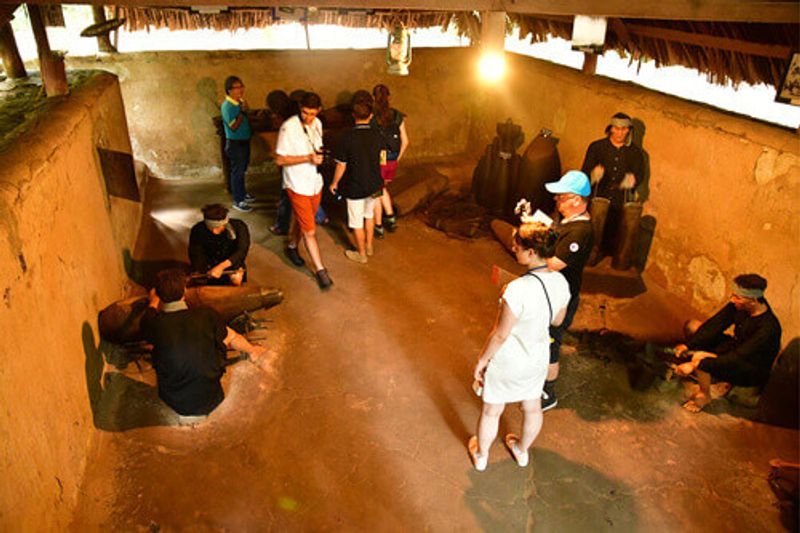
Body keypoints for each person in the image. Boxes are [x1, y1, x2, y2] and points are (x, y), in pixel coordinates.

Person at [469, 222, 570, 471]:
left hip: (509, 361)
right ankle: (521, 451)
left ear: (532, 253)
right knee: (532, 407)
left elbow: (500, 335)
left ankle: (481, 456)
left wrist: (482, 361)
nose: (514, 248)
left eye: (518, 246)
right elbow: (557, 320)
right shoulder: (560, 282)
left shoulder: (517, 289)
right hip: (537, 358)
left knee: (492, 410)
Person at [141, 269, 265, 417]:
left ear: (159, 294)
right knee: (227, 334)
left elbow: (150, 314)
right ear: (184, 291)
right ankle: (253, 351)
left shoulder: (153, 323)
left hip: (175, 402)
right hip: (213, 398)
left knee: (156, 346)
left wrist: (154, 300)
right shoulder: (206, 314)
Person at [674, 273, 782, 413]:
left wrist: (695, 364)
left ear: (753, 300)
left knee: (702, 361)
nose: (732, 299)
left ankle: (704, 395)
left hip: (749, 366)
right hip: (736, 347)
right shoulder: (740, 306)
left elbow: (738, 357)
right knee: (693, 327)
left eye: (737, 297)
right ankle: (706, 369)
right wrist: (688, 345)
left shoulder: (768, 328)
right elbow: (716, 324)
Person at [540, 171, 594, 411]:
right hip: (550, 292)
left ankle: (548, 393)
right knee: (540, 338)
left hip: (562, 298)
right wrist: (534, 220)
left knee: (551, 342)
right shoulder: (570, 221)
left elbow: (555, 263)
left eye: (561, 198)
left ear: (575, 200)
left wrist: (531, 247)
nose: (557, 202)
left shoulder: (580, 233)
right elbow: (555, 232)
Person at [275, 92, 333, 290]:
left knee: (303, 219)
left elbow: (317, 147)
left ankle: (292, 247)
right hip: (297, 184)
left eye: (311, 113)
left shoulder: (317, 123)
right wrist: (307, 158)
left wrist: (318, 158)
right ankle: (320, 270)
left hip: (315, 182)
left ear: (319, 110)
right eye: (304, 113)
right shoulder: (288, 127)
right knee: (310, 230)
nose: (308, 117)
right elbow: (280, 160)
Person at [330, 91, 384, 263]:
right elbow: (383, 159)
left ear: (353, 115)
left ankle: (361, 255)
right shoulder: (378, 134)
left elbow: (341, 165)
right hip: (375, 185)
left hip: (355, 187)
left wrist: (335, 182)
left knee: (356, 222)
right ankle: (369, 246)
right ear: (371, 115)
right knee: (369, 216)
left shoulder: (347, 138)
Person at [581, 112, 644, 257]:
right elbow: (584, 172)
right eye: (616, 128)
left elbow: (639, 174)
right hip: (598, 194)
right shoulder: (596, 147)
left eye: (623, 129)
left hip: (618, 198)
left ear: (628, 130)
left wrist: (632, 181)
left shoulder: (635, 153)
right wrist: (592, 175)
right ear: (610, 128)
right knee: (593, 230)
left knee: (612, 232)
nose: (619, 132)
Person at [370, 84, 409, 238]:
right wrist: (396, 159)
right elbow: (405, 141)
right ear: (389, 97)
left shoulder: (372, 117)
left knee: (376, 192)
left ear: (373, 97)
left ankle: (378, 226)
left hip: (380, 157)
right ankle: (391, 218)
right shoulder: (397, 115)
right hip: (392, 158)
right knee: (382, 188)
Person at [188, 204, 250, 286]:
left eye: (218, 227)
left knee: (236, 284)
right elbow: (196, 253)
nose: (214, 231)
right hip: (209, 267)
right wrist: (201, 270)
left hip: (232, 265)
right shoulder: (198, 230)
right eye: (210, 227)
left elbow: (242, 250)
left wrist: (221, 267)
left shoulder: (239, 227)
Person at [220, 76, 255, 213]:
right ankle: (238, 200)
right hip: (235, 144)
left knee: (242, 170)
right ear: (229, 90)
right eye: (237, 87)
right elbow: (233, 126)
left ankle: (243, 193)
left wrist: (245, 110)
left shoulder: (239, 102)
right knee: (237, 172)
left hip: (244, 141)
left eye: (242, 86)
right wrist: (242, 112)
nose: (241, 89)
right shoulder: (227, 106)